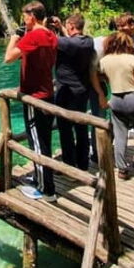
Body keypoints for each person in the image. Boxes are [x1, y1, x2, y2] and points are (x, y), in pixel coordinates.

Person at [4, 1, 58, 201]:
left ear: (32, 16)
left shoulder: (33, 36)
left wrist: (14, 38)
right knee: (44, 141)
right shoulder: (51, 35)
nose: (23, 20)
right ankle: (43, 180)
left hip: (34, 98)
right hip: (48, 94)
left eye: (24, 16)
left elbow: (8, 57)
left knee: (36, 142)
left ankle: (46, 190)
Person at [98, 32, 134, 181]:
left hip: (115, 98)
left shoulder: (105, 61)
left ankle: (122, 169)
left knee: (120, 135)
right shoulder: (130, 58)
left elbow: (98, 75)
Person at [50, 13, 100, 170]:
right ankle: (83, 163)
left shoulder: (67, 43)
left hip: (66, 91)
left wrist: (42, 25)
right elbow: (72, 40)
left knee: (65, 128)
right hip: (82, 91)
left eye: (67, 25)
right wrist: (61, 27)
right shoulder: (88, 41)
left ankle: (69, 163)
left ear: (71, 26)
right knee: (81, 127)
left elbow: (50, 40)